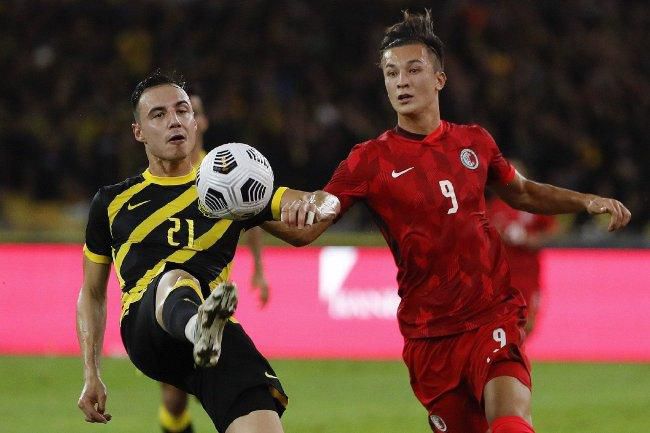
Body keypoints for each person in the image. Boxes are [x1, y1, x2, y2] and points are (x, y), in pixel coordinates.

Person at [269, 10, 631, 433]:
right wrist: (258, 214)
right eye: (390, 73)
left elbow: (524, 191)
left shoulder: (473, 142)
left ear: (439, 79)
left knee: (511, 420)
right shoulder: (368, 162)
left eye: (413, 69)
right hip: (430, 337)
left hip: (491, 314)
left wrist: (587, 201)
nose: (401, 81)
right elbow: (309, 226)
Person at [75, 71, 338, 433]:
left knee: (262, 423)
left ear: (196, 121)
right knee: (175, 277)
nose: (174, 121)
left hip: (215, 332)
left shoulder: (232, 185)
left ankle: (205, 329)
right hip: (147, 328)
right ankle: (198, 325)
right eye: (159, 115)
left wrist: (320, 204)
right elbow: (91, 293)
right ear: (138, 132)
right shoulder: (111, 202)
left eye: (183, 111)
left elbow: (314, 207)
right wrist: (92, 374)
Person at [157, 92, 272, 433]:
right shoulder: (157, 177)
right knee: (174, 399)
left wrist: (259, 271)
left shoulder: (226, 169)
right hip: (169, 300)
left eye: (190, 112)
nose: (179, 120)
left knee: (234, 398)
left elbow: (251, 218)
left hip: (215, 303)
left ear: (201, 122)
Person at [486, 161, 558, 336]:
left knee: (527, 325)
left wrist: (528, 239)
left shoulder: (533, 204)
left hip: (529, 274)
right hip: (502, 277)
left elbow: (552, 232)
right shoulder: (494, 205)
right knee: (503, 325)